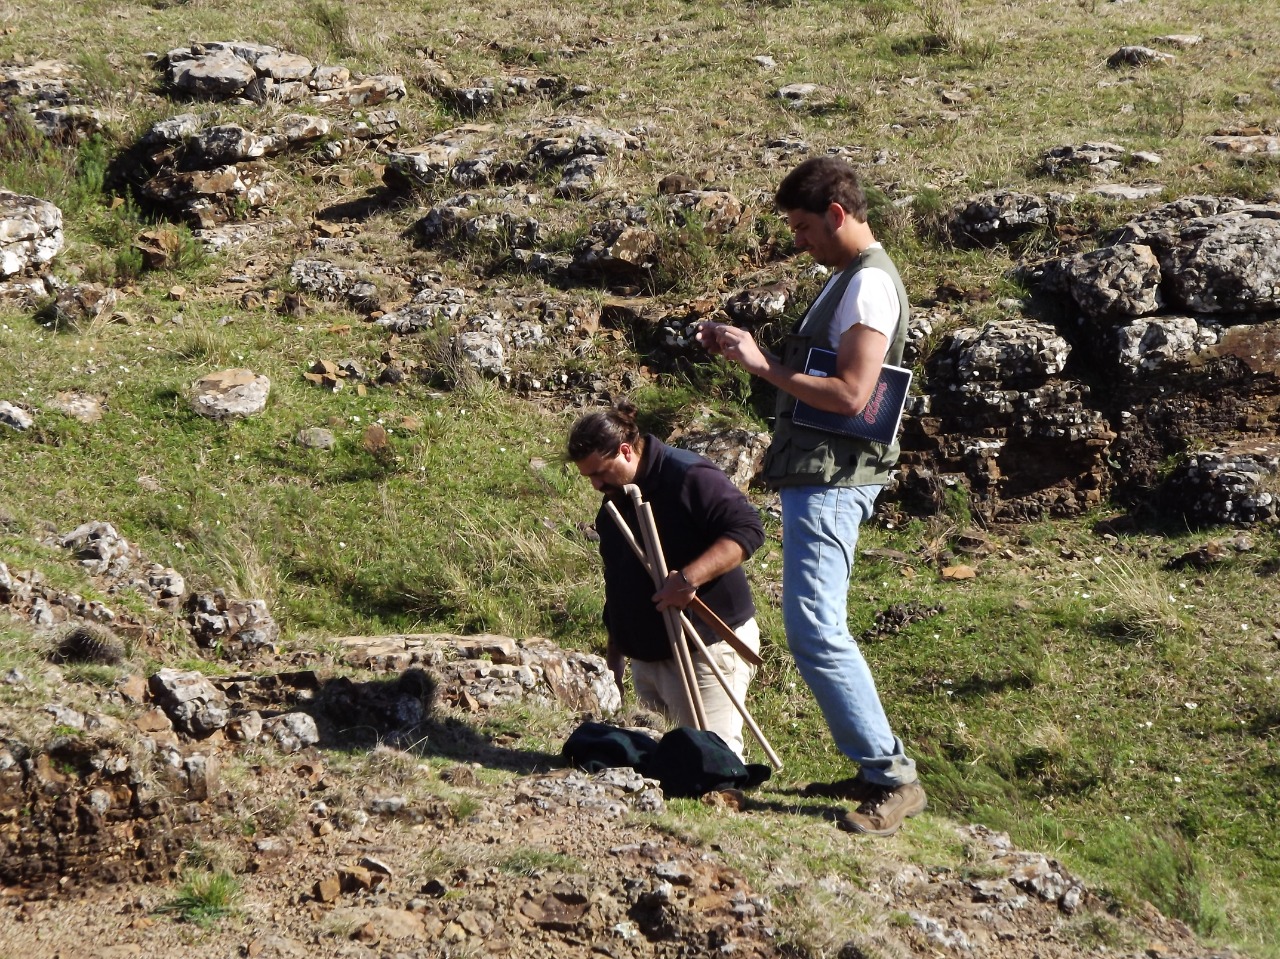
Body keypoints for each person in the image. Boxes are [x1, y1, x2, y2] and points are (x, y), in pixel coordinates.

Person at [696, 155, 925, 836]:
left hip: (833, 478)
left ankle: (891, 776)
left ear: (836, 214)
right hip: (820, 474)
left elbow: (854, 393)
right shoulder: (851, 282)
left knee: (816, 628)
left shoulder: (867, 289)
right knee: (814, 626)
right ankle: (873, 767)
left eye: (801, 227)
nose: (797, 240)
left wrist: (763, 364)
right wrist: (751, 353)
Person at [567, 402, 766, 761]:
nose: (596, 484)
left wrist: (688, 579)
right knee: (668, 768)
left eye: (599, 472)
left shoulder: (690, 475)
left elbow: (747, 531)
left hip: (705, 649)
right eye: (589, 478)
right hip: (648, 659)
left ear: (625, 451)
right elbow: (620, 583)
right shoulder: (615, 502)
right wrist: (616, 655)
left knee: (712, 764)